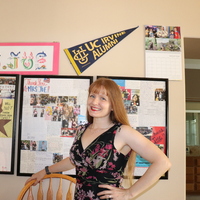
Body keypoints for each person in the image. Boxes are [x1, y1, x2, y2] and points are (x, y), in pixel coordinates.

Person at [25, 78, 171, 200]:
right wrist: (45, 171)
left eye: (103, 98)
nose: (95, 102)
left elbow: (163, 162)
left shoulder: (122, 132)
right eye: (92, 96)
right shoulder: (82, 130)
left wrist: (129, 193)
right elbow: (75, 160)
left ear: (113, 105)